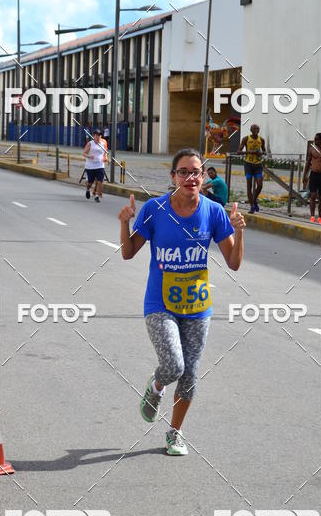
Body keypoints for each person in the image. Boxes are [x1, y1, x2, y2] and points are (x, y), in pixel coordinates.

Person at [118, 147, 245, 456]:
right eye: (184, 172)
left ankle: (175, 433)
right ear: (173, 176)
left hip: (198, 307)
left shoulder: (214, 211)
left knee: (189, 374)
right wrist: (124, 223)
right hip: (160, 303)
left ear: (203, 176)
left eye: (196, 172)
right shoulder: (155, 209)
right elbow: (128, 252)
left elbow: (233, 263)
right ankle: (156, 387)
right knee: (174, 365)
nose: (191, 178)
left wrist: (239, 232)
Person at [237, 124, 265, 214]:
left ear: (259, 130)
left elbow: (264, 151)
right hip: (248, 164)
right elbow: (239, 152)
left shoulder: (261, 140)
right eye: (254, 128)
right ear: (251, 130)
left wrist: (261, 153)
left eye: (257, 128)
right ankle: (252, 206)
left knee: (260, 185)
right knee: (249, 186)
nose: (256, 130)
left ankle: (253, 200)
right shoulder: (246, 139)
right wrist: (251, 152)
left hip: (258, 164)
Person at [83, 128, 108, 203]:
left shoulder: (103, 143)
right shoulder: (90, 144)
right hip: (90, 166)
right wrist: (89, 156)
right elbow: (84, 153)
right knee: (90, 183)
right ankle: (88, 189)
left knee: (100, 181)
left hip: (100, 165)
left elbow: (105, 152)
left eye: (99, 135)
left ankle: (97, 196)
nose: (98, 137)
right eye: (96, 135)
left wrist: (106, 158)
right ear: (93, 136)